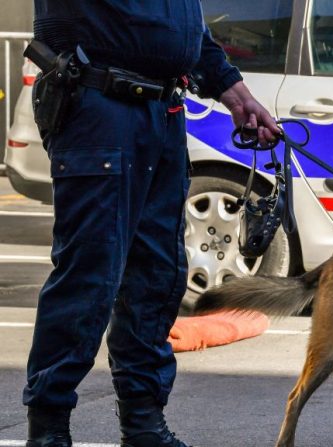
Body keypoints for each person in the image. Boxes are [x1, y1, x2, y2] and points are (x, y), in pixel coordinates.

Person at [24, 2, 281, 446]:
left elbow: (186, 33)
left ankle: (144, 425)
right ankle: (48, 430)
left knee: (157, 277)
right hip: (99, 105)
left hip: (162, 113)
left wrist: (236, 94)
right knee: (89, 276)